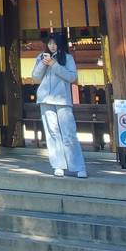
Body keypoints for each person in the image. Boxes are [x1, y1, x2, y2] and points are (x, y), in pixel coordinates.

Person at [32, 35, 87, 178]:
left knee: (69, 133)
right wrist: (43, 64)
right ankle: (58, 165)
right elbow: (36, 78)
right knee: (52, 133)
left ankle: (78, 166)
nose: (52, 46)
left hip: (62, 100)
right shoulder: (40, 57)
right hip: (45, 99)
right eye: (50, 43)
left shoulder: (67, 58)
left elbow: (72, 77)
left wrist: (54, 65)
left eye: (55, 44)